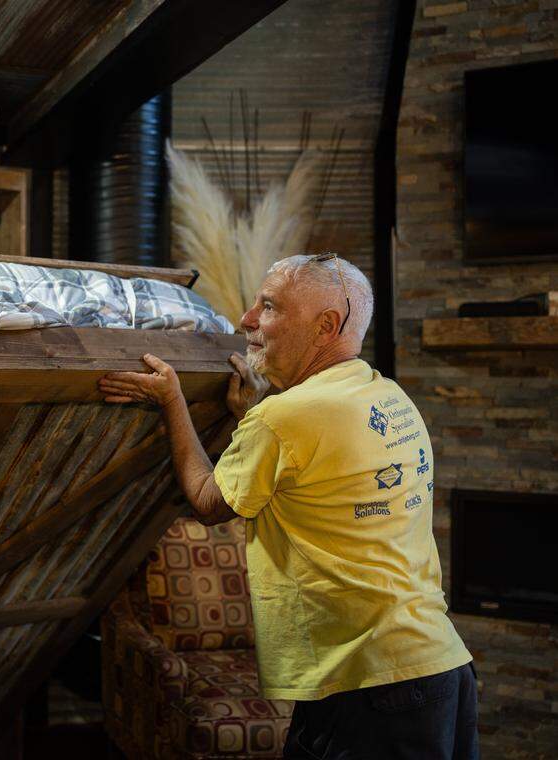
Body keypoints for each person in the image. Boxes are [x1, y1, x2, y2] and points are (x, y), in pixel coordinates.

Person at [99, 254, 477, 759]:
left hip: (366, 684)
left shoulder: (285, 417)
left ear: (326, 325)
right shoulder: (385, 395)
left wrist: (173, 402)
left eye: (269, 306)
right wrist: (252, 416)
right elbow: (315, 465)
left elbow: (211, 503)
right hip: (437, 669)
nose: (247, 320)